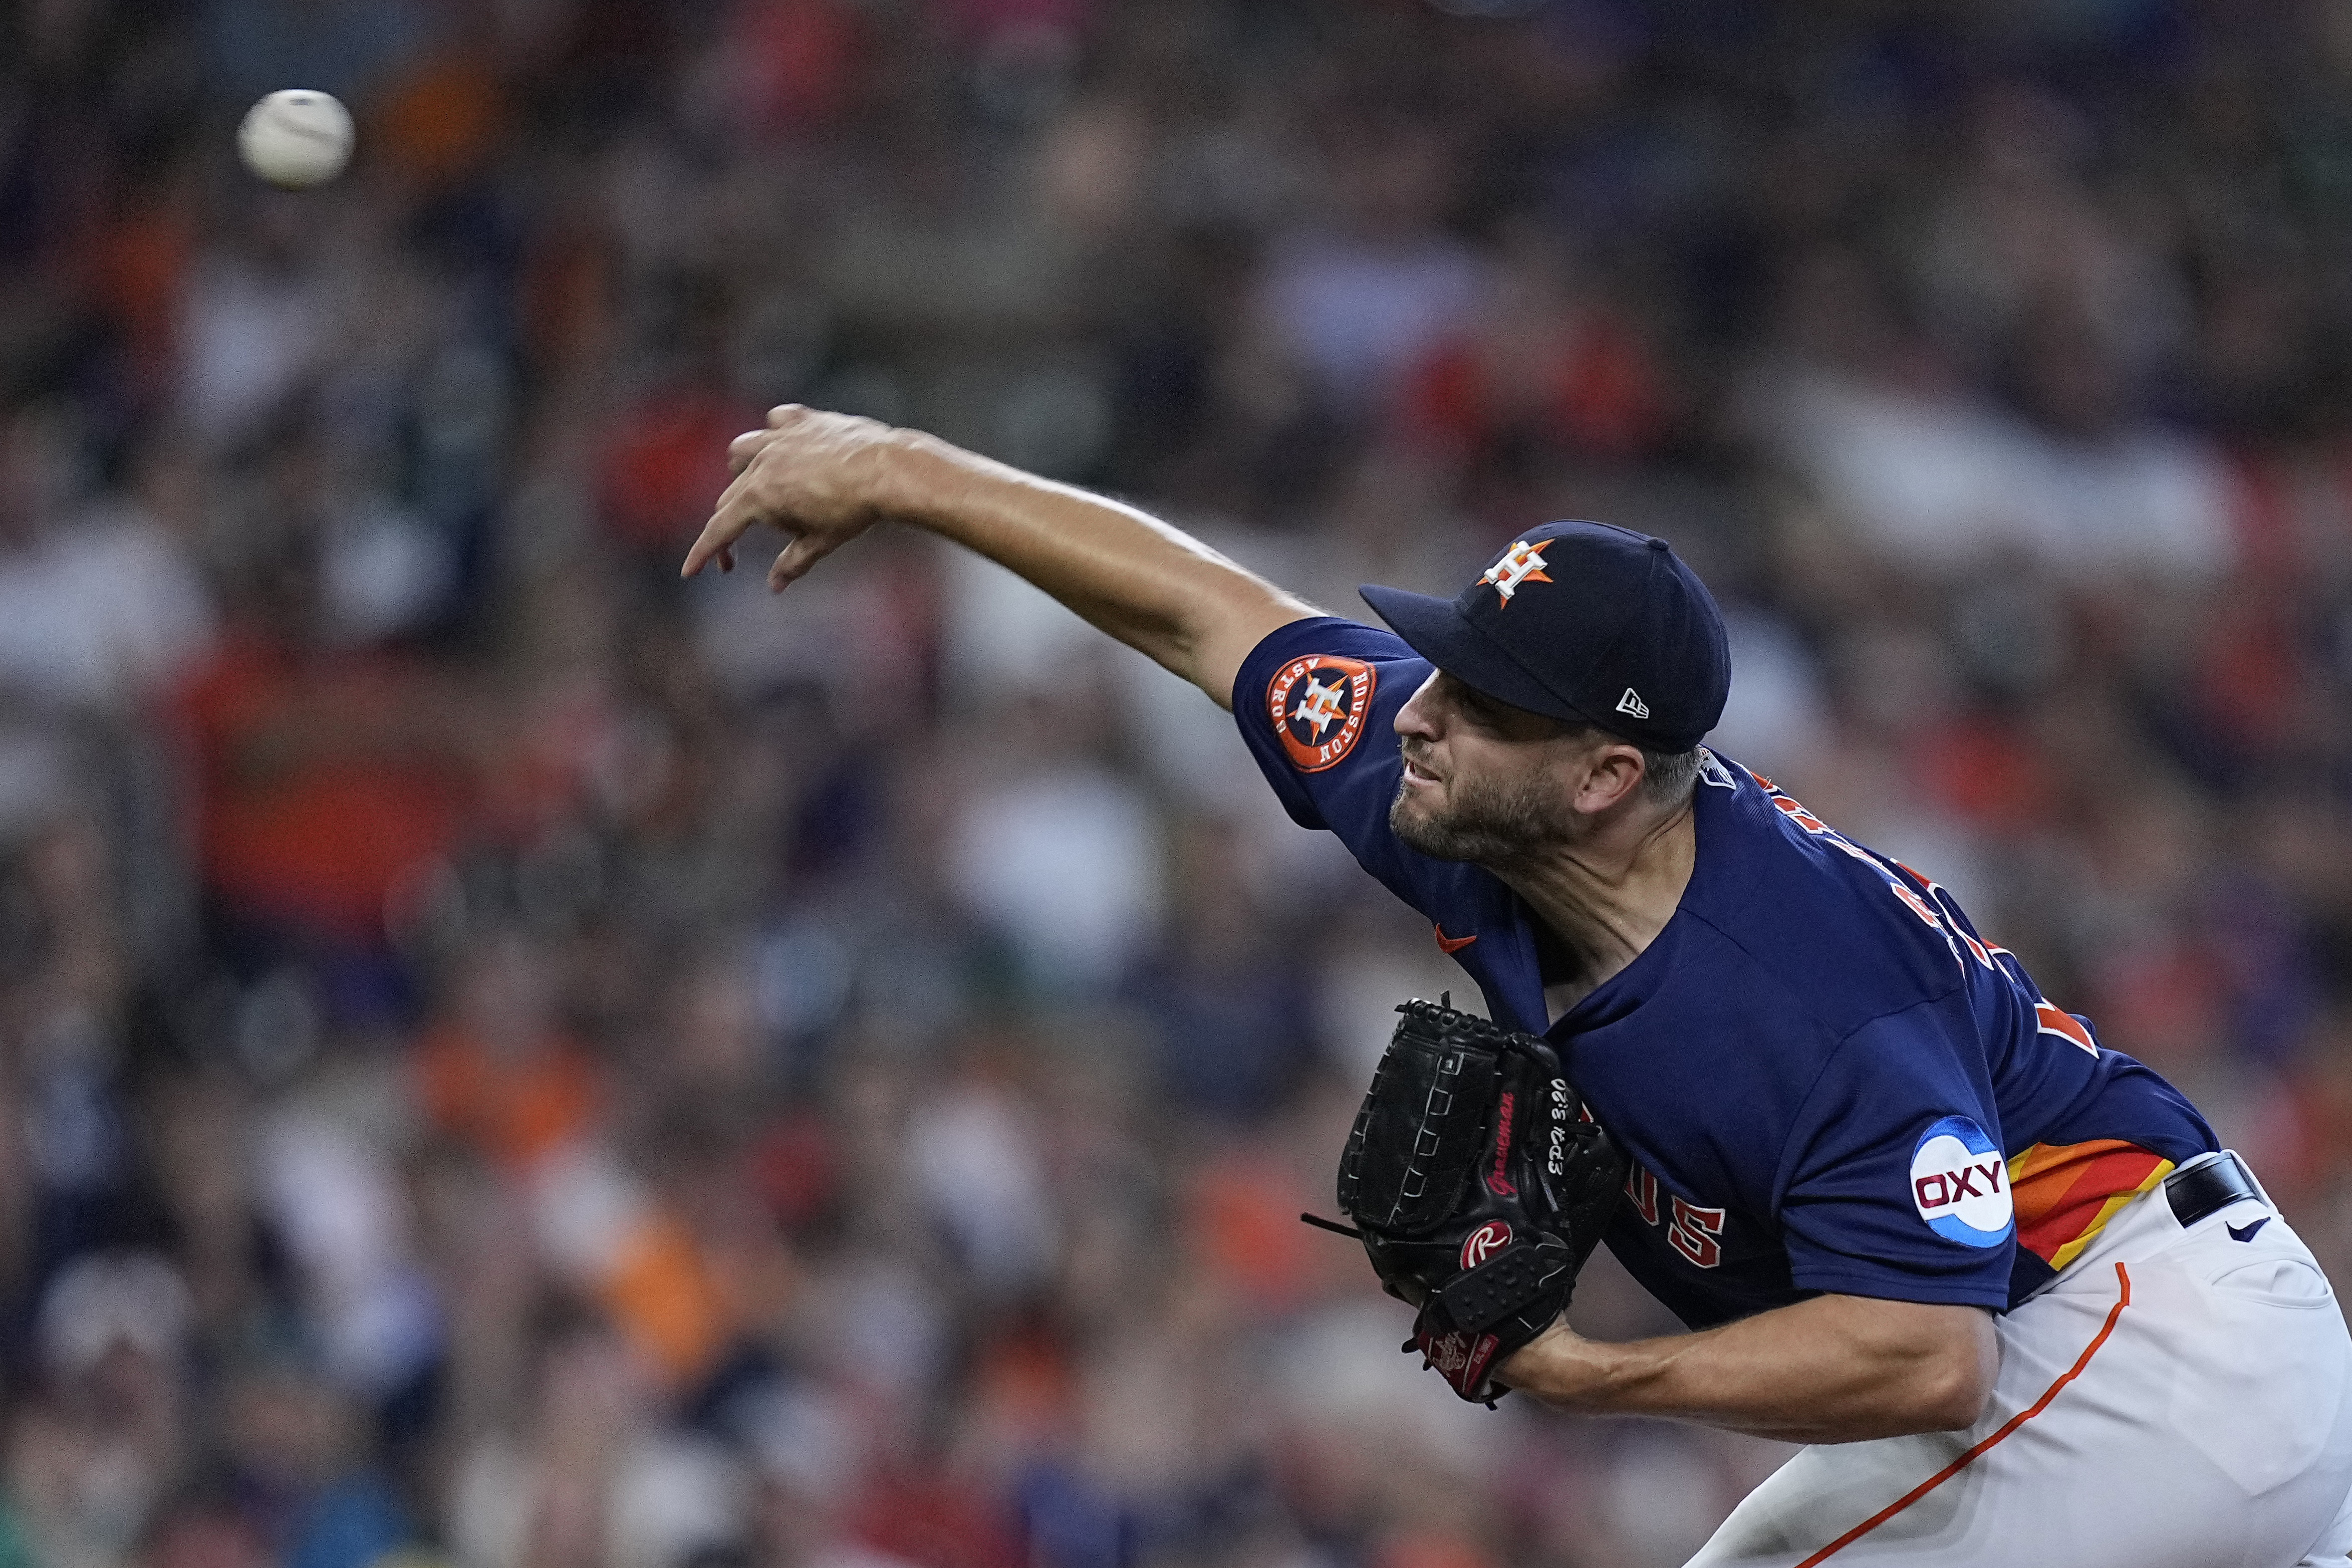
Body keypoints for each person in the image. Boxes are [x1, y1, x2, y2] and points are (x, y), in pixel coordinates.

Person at [683, 405, 2352, 1568]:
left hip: (2147, 1356)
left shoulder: (1801, 996)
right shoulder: (1461, 806)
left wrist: (1588, 1374)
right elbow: (1210, 616)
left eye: (1480, 697)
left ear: (1605, 771)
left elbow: (1928, 1361)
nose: (1420, 708)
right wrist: (901, 471)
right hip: (2111, 1361)